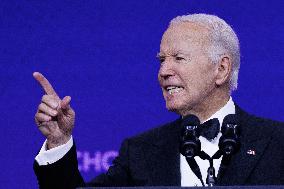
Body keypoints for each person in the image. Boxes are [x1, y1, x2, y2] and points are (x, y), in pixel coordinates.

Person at [33, 14, 284, 189]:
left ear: (221, 68)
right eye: (161, 59)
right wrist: (59, 141)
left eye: (178, 58)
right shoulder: (141, 152)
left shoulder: (277, 143)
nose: (164, 71)